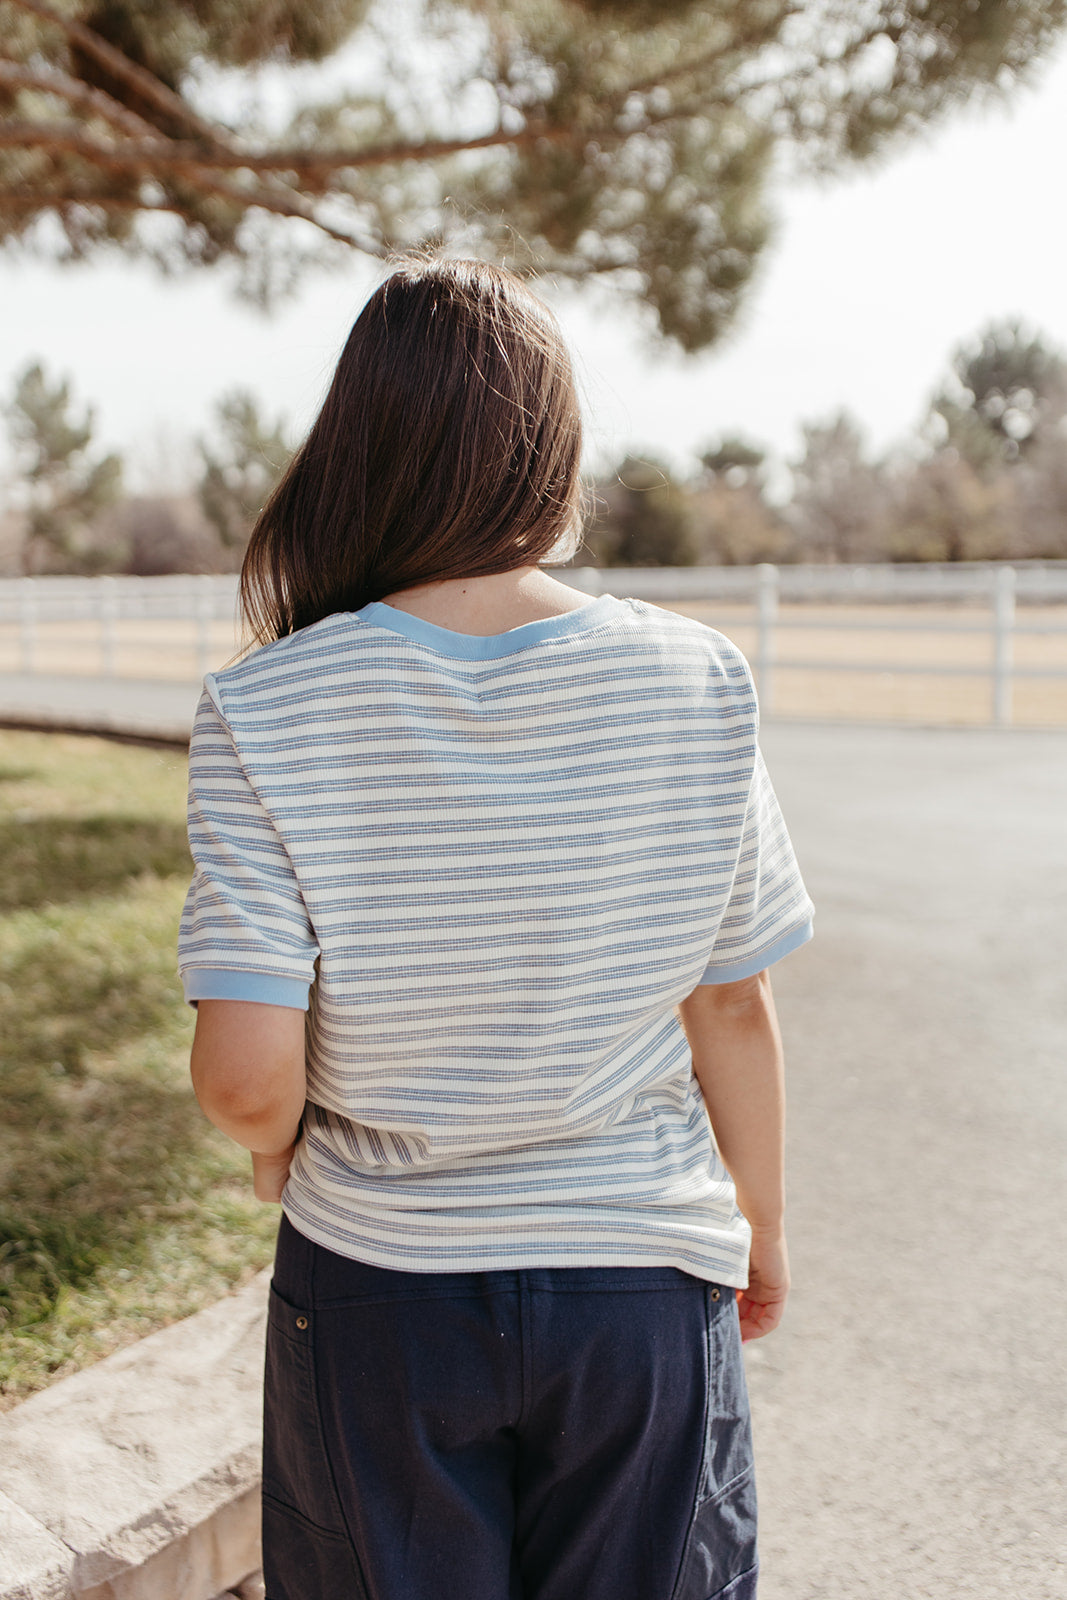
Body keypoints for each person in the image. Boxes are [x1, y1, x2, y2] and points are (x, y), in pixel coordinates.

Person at [178, 257, 813, 1600]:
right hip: (638, 1283)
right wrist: (760, 1224)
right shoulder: (695, 677)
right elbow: (731, 1003)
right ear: (552, 456)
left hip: (379, 1288)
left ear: (356, 451)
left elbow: (244, 1076)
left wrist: (275, 1145)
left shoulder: (266, 707)